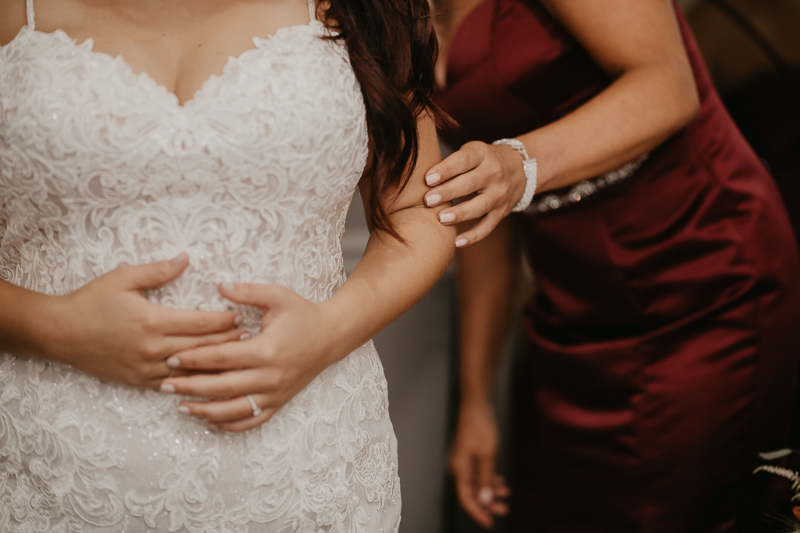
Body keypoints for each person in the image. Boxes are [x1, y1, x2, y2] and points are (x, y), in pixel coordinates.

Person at [0, 0, 453, 530]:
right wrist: (53, 328)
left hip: (305, 470)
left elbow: (419, 212)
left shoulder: (367, 7)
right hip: (51, 467)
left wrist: (329, 331)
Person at [426, 0, 800, 531]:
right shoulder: (392, 15)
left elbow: (669, 83)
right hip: (571, 312)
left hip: (703, 279)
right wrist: (477, 400)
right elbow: (480, 208)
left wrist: (519, 163)